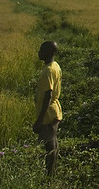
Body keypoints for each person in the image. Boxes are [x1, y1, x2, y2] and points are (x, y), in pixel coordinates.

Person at [34, 41, 62, 176]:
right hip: (54, 110)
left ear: (48, 53)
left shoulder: (48, 71)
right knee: (53, 143)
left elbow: (48, 95)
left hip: (48, 114)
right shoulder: (55, 66)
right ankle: (52, 171)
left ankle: (50, 174)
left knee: (49, 146)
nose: (39, 52)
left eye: (41, 49)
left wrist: (39, 120)